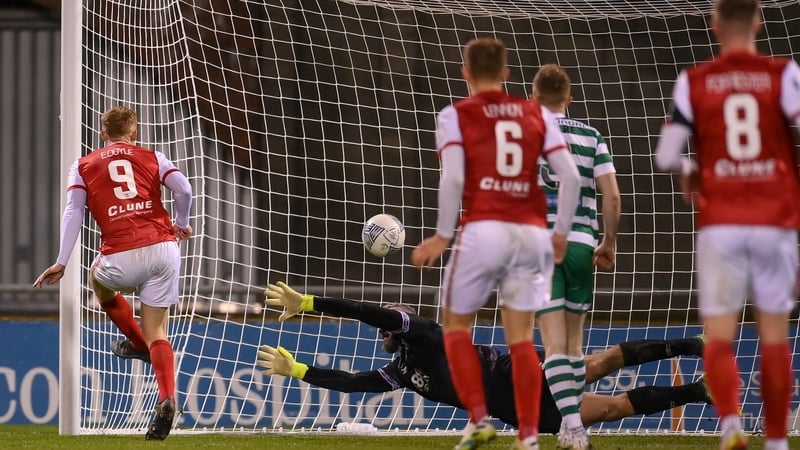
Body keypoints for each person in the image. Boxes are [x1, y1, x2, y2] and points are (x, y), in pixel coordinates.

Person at [409, 38, 581, 450]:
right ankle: (527, 437)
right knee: (521, 340)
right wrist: (559, 233)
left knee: (454, 328)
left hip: (483, 230)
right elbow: (571, 178)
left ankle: (479, 418)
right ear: (506, 73)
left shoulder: (455, 115)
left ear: (465, 72)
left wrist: (442, 234)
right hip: (532, 234)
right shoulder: (536, 113)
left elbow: (451, 178)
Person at [258, 282, 711, 434]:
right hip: (518, 411)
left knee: (600, 364)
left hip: (519, 370)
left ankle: (692, 346)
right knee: (611, 409)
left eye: (385, 328)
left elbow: (365, 311)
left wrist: (313, 303)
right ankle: (700, 390)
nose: (382, 332)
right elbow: (352, 383)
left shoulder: (423, 334)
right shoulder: (402, 374)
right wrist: (296, 369)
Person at [654, 1, 800, 449]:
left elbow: (664, 155)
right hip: (775, 220)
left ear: (714, 24)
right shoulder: (784, 73)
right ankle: (776, 442)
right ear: (759, 20)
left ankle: (731, 425)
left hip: (720, 224)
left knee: (719, 334)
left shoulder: (693, 81)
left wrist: (690, 169)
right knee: (774, 335)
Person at [33, 106, 193, 441]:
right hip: (164, 249)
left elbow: (74, 210)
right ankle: (166, 396)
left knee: (97, 279)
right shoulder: (154, 156)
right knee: (158, 330)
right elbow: (185, 190)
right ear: (134, 133)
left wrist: (62, 260)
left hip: (119, 256)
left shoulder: (82, 165)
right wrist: (181, 223)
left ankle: (136, 343)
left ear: (102, 133)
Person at [531, 63, 621, 449]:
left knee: (552, 347)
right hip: (582, 245)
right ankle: (573, 427)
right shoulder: (591, 136)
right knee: (574, 347)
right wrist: (608, 243)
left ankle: (573, 426)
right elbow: (613, 195)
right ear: (569, 97)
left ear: (533, 98)